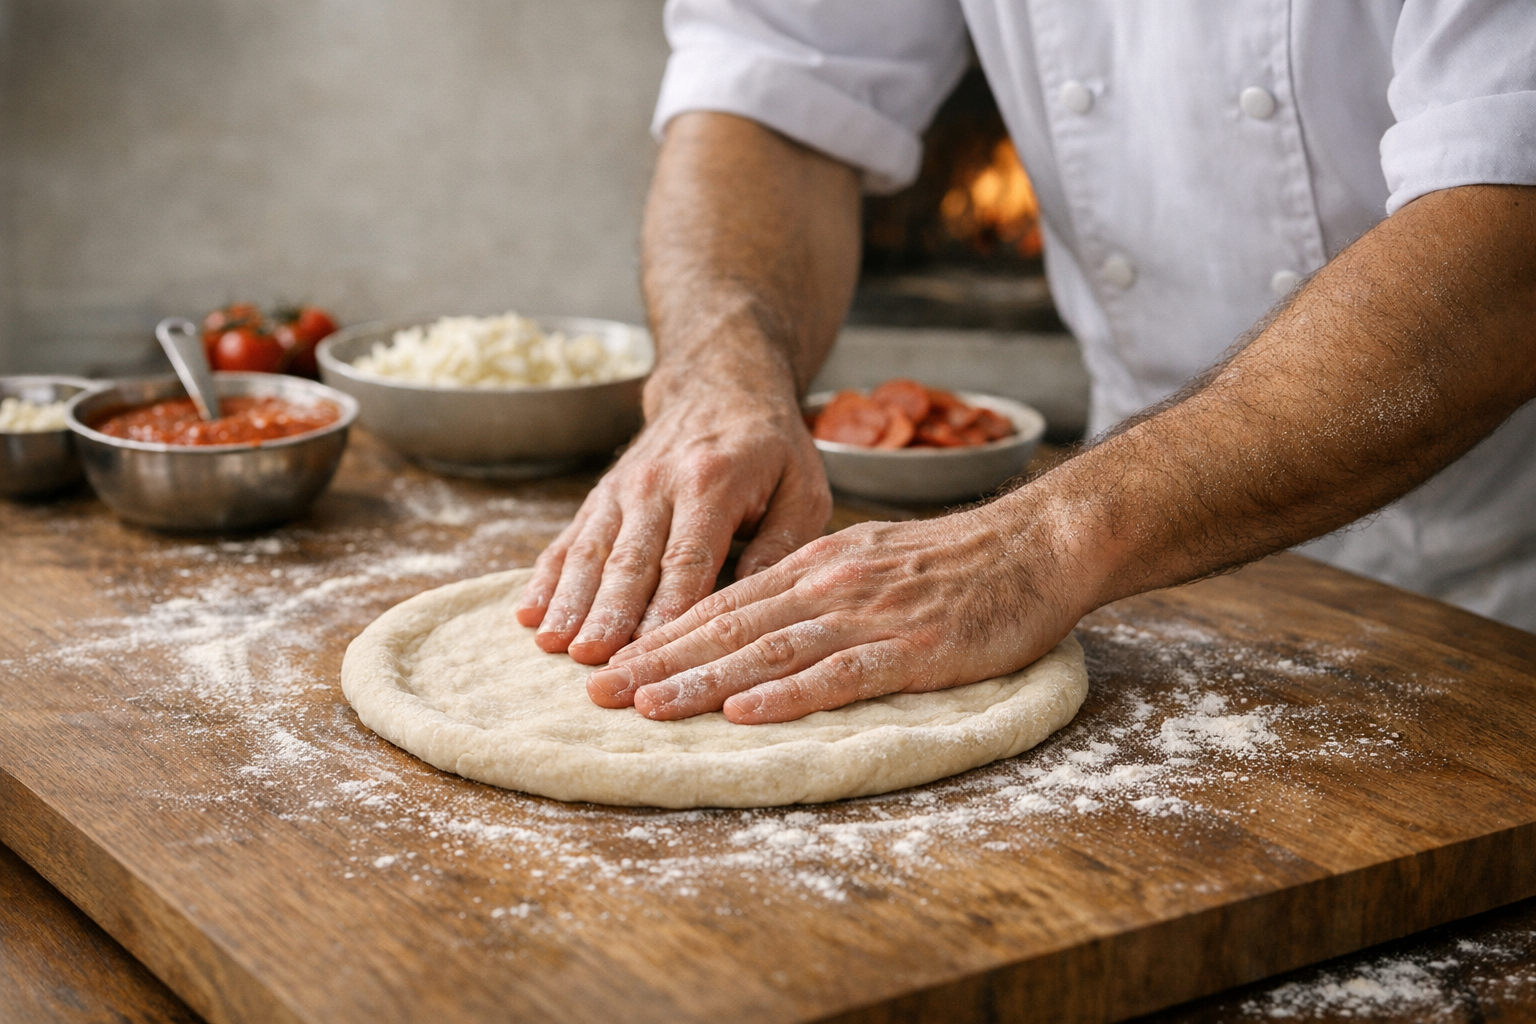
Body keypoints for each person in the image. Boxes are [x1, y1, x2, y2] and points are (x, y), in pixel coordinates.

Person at [515, 1, 1536, 725]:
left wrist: (1044, 537)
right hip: (1138, 583)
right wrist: (716, 371)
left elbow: (1509, 223)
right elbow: (776, 82)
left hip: (1490, 572)